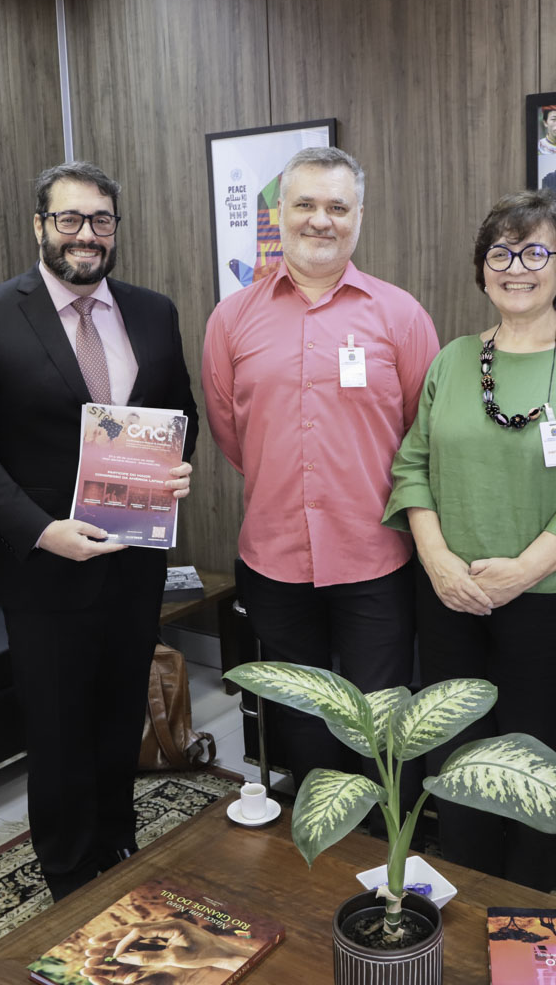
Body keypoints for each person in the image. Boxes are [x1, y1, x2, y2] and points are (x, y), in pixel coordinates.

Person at [0, 161, 198, 900]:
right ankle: (67, 875)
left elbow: (180, 417)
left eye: (102, 221)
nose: (87, 235)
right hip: (44, 566)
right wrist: (40, 530)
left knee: (120, 712)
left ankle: (119, 845)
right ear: (41, 226)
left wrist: (177, 467)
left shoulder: (152, 311)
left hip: (134, 557)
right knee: (58, 729)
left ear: (116, 229)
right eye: (70, 220)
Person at [383, 189, 556, 888]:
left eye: (534, 252)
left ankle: (524, 909)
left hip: (552, 598)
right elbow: (412, 467)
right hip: (449, 594)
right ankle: (461, 902)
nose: (515, 266)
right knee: (455, 757)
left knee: (532, 762)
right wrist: (434, 559)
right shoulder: (455, 358)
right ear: (482, 268)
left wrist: (522, 571)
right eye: (500, 252)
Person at [202, 146, 439, 795]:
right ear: (281, 213)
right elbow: (233, 431)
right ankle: (318, 858)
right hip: (275, 559)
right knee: (301, 720)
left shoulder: (400, 316)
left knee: (382, 724)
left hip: (375, 557)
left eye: (337, 207)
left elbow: (424, 435)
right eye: (305, 204)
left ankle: (387, 861)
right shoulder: (232, 318)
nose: (320, 220)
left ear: (358, 217)